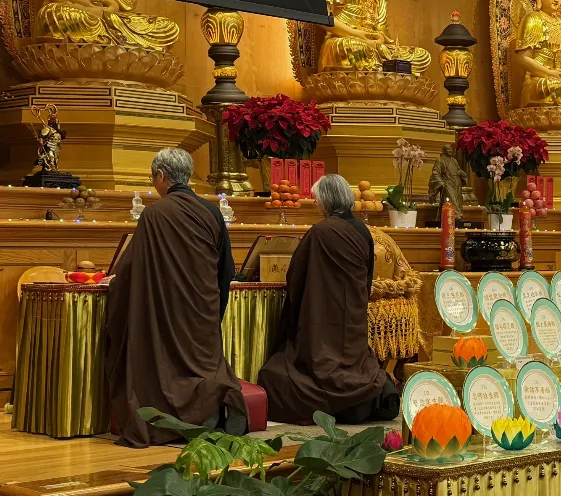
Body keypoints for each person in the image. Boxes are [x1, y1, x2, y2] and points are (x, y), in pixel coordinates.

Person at [105, 148, 246, 447]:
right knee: (205, 367)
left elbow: (131, 268)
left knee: (164, 369)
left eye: (152, 177)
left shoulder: (154, 214)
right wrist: (215, 310)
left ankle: (184, 418)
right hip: (203, 309)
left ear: (160, 175)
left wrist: (115, 284)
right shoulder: (211, 212)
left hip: (166, 310)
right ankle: (213, 407)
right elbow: (226, 269)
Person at [257, 174, 399, 424]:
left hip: (320, 334)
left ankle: (336, 404)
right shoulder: (363, 232)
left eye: (317, 199)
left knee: (272, 374)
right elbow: (366, 281)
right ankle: (361, 400)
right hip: (353, 327)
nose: (316, 204)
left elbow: (296, 277)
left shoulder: (321, 232)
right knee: (359, 366)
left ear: (327, 200)